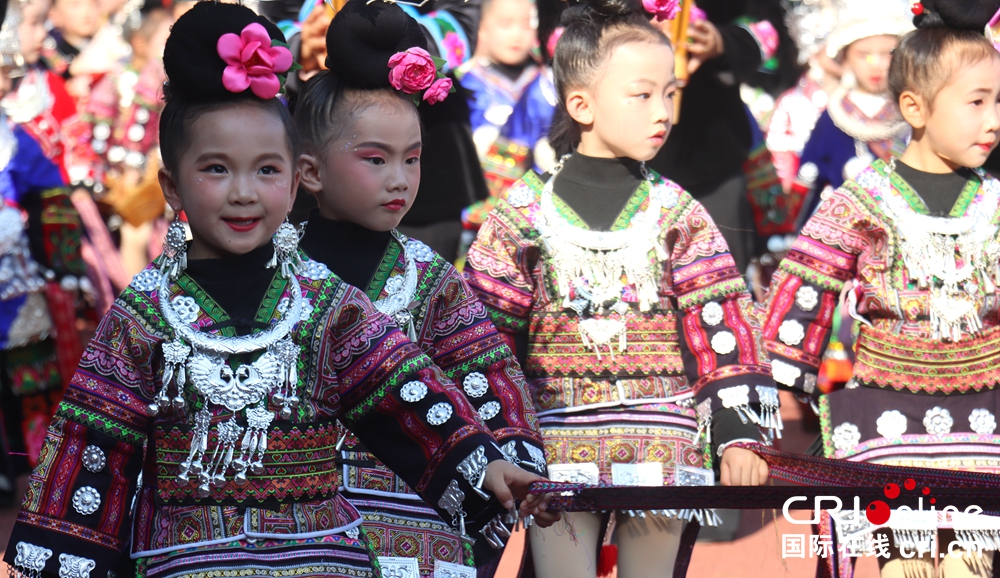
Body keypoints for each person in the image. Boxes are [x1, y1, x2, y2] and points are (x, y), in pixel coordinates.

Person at [2, 4, 554, 577]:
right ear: (171, 184)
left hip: (321, 556)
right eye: (217, 169)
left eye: (266, 170)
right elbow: (95, 445)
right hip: (186, 560)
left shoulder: (325, 301)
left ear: (295, 181)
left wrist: (488, 466)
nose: (244, 193)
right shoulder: (145, 311)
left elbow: (403, 393)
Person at [464, 0, 777, 576]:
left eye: (670, 92)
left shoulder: (678, 210)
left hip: (661, 442)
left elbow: (722, 321)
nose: (663, 111)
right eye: (642, 94)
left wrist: (738, 436)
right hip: (555, 449)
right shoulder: (522, 214)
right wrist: (495, 440)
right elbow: (482, 341)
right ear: (581, 104)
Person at [292, 2, 546, 576]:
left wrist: (513, 456)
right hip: (297, 527)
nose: (400, 179)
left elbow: (489, 375)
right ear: (309, 172)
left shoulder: (427, 275)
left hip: (417, 524)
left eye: (412, 158)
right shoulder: (272, 271)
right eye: (375, 159)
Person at [758, 1, 1000, 576]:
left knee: (972, 567)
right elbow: (803, 287)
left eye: (999, 102)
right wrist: (775, 391)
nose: (994, 119)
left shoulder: (995, 203)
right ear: (914, 107)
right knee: (906, 567)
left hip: (986, 410)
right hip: (886, 408)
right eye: (977, 102)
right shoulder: (862, 200)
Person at [794, 0, 913, 221]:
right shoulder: (834, 117)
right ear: (844, 59)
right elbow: (810, 176)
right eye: (863, 54)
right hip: (845, 224)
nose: (876, 64)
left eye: (888, 53)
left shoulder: (914, 113)